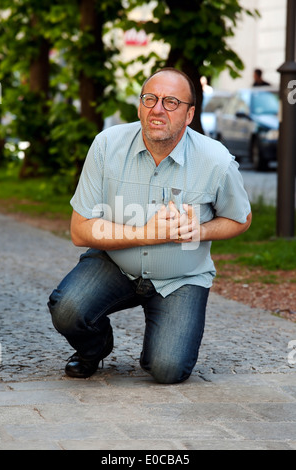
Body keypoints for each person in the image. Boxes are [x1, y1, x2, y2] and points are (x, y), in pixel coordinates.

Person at [48, 67, 252, 384]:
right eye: (150, 98)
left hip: (181, 278)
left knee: (168, 369)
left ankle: (160, 346)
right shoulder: (106, 145)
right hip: (114, 263)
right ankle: (95, 348)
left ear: (189, 114)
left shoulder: (216, 160)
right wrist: (147, 234)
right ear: (140, 105)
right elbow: (79, 230)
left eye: (171, 102)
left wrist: (200, 230)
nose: (157, 109)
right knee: (67, 308)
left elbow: (241, 219)